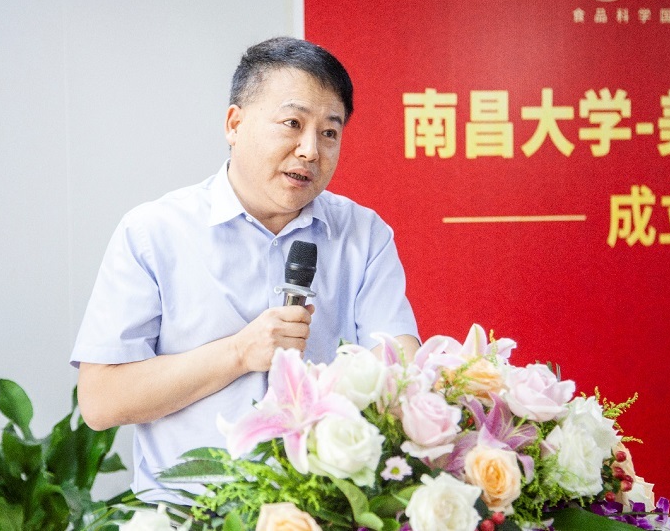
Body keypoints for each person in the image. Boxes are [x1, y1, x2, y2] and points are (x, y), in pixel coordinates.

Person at [71, 36, 419, 502]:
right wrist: (239, 352)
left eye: (329, 133)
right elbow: (100, 401)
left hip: (325, 510)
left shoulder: (364, 234)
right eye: (292, 123)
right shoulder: (154, 233)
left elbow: (400, 369)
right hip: (189, 515)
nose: (310, 150)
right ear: (234, 124)